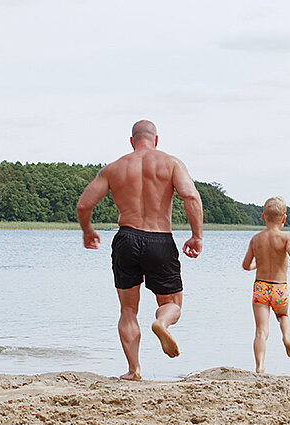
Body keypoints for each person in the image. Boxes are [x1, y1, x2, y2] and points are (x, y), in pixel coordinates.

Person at [76, 120, 204, 381]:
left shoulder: (114, 168)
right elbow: (190, 196)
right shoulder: (170, 163)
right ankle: (162, 323)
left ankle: (134, 370)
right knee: (171, 304)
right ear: (156, 140)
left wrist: (88, 231)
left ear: (131, 141)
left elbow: (84, 204)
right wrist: (196, 236)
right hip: (160, 240)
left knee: (127, 310)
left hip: (127, 239)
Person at [242, 196, 290, 374]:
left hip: (261, 288)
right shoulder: (287, 238)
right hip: (279, 288)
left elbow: (246, 265)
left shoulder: (256, 239)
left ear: (263, 217)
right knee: (283, 316)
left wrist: (257, 265)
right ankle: (286, 337)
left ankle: (260, 367)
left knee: (261, 331)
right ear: (284, 218)